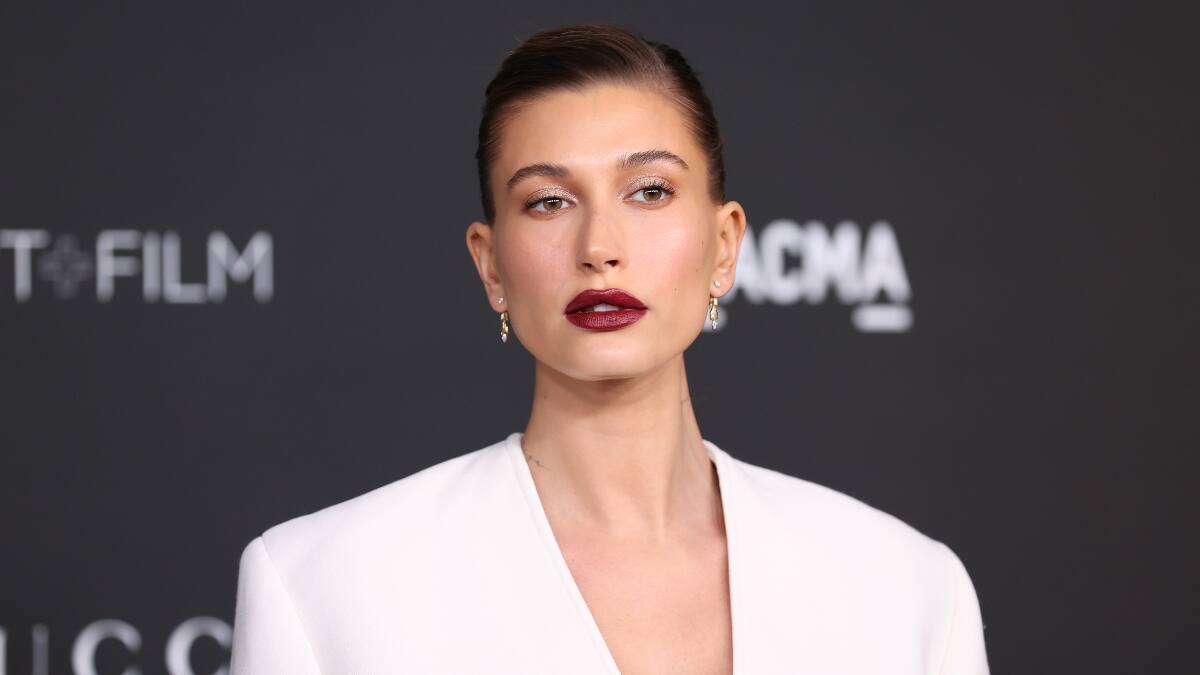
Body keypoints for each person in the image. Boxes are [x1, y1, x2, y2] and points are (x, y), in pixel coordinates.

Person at [229, 24, 990, 674]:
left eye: (649, 191)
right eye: (548, 201)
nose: (599, 246)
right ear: (490, 266)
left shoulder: (907, 590)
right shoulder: (322, 585)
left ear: (725, 245)